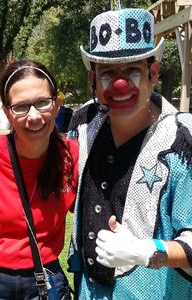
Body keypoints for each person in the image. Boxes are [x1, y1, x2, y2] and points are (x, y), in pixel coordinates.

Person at [66, 6, 192, 299]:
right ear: (92, 79)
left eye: (133, 70)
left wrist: (147, 250)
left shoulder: (183, 141)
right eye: (108, 73)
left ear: (154, 72)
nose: (120, 84)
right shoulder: (84, 124)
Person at [0, 59, 79, 299]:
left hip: (45, 278)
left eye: (42, 103)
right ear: (7, 112)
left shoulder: (72, 154)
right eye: (21, 107)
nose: (34, 116)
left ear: (57, 105)